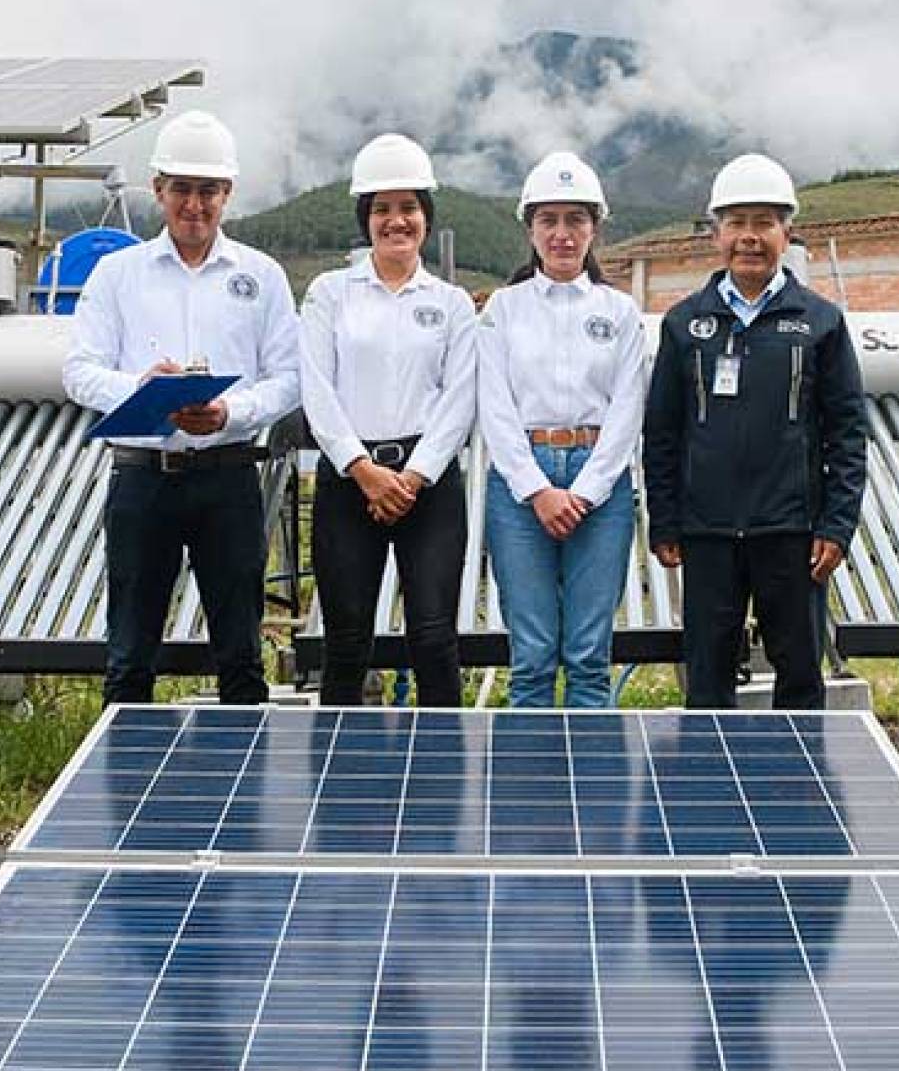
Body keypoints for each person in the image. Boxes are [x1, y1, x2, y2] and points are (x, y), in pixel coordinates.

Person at [63, 109, 299, 705]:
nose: (196, 205)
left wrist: (232, 413)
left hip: (229, 475)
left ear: (228, 194)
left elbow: (292, 377)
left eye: (209, 191)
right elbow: (78, 372)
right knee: (130, 657)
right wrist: (141, 391)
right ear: (158, 190)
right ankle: (122, 791)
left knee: (242, 658)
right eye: (184, 190)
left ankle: (242, 794)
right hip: (143, 481)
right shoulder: (117, 275)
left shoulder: (262, 276)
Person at [643, 152, 867, 709]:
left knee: (799, 676)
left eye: (763, 222)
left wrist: (837, 527)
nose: (749, 237)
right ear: (716, 232)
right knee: (708, 676)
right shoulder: (684, 324)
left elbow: (847, 433)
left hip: (793, 533)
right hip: (707, 532)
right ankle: (709, 788)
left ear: (787, 232)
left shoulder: (821, 322)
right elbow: (662, 432)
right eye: (736, 223)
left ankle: (796, 790)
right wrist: (666, 520)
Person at [300, 133, 476, 707]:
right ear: (364, 218)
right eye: (382, 209)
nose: (396, 221)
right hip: (350, 482)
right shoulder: (330, 294)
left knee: (433, 638)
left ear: (426, 217)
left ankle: (443, 780)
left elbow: (459, 398)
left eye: (408, 208)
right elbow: (316, 388)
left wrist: (415, 476)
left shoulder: (450, 303)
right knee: (346, 642)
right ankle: (338, 779)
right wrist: (363, 469)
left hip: (429, 486)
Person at [478, 152, 645, 708]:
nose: (562, 234)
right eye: (548, 220)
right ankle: (533, 794)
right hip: (521, 481)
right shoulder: (504, 309)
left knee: (589, 659)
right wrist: (537, 489)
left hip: (602, 481)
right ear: (530, 228)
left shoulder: (620, 312)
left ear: (595, 227)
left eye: (576, 220)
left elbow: (627, 411)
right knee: (530, 658)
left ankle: (588, 792)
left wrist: (586, 490)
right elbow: (495, 407)